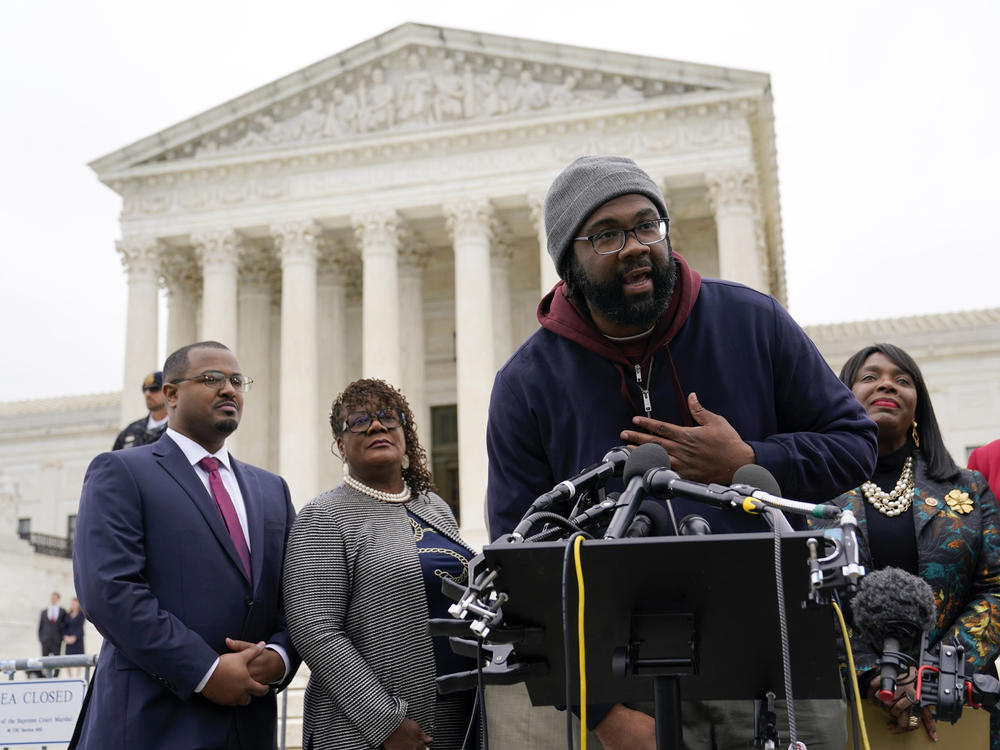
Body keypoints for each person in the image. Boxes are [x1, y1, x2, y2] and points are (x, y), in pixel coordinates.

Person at [485, 155, 879, 749]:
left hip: (780, 661)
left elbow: (855, 444)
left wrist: (748, 459)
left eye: (647, 225)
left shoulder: (752, 322)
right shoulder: (526, 384)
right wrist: (600, 713)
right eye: (608, 234)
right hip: (629, 684)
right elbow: (521, 566)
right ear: (569, 261)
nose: (636, 246)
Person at [72, 341, 300, 750]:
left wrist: (281, 657)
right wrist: (206, 670)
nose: (229, 389)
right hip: (152, 724)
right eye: (211, 379)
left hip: (249, 725)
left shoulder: (271, 490)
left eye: (236, 380)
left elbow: (298, 593)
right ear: (171, 394)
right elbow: (109, 591)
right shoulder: (122, 471)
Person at [811, 343, 1000, 746]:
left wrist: (934, 675)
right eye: (870, 376)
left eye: (902, 379)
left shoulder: (968, 489)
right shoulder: (814, 492)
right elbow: (804, 600)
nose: (887, 385)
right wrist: (871, 673)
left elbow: (995, 590)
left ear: (919, 404)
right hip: (850, 706)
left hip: (959, 707)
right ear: (844, 396)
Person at [284, 378, 478, 750]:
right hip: (370, 732)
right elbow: (315, 630)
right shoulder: (323, 516)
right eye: (358, 421)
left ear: (405, 434)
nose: (376, 426)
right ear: (341, 446)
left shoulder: (434, 507)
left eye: (389, 417)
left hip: (458, 719)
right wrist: (385, 721)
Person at [112, 370, 168, 450]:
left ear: (168, 391)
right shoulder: (130, 431)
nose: (147, 394)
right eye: (144, 390)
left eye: (154, 389)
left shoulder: (179, 429)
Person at [38, 591, 67, 677]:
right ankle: (45, 676)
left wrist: (62, 637)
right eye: (52, 597)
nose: (53, 599)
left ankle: (56, 676)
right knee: (44, 659)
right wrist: (41, 638)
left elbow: (65, 625)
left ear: (58, 599)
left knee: (57, 659)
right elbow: (40, 626)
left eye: (55, 598)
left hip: (57, 639)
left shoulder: (62, 611)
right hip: (45, 639)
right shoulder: (44, 611)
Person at [63, 596, 86, 677]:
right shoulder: (68, 614)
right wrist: (65, 637)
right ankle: (70, 677)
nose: (73, 605)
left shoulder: (81, 615)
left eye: (75, 604)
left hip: (78, 639)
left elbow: (80, 627)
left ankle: (77, 676)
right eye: (72, 603)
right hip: (68, 639)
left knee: (79, 658)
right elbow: (64, 626)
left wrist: (74, 637)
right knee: (67, 659)